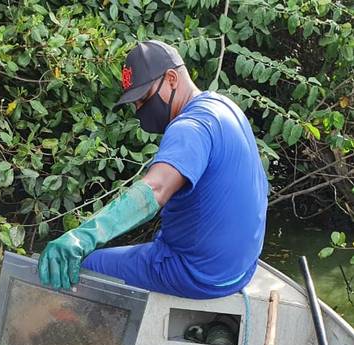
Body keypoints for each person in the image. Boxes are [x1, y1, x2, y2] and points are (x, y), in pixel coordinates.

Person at [38, 40, 268, 299]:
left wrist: (82, 237)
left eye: (144, 98)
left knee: (85, 266)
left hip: (198, 275)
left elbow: (155, 187)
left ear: (171, 78)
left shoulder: (189, 128)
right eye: (134, 103)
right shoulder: (223, 106)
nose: (139, 110)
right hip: (240, 269)